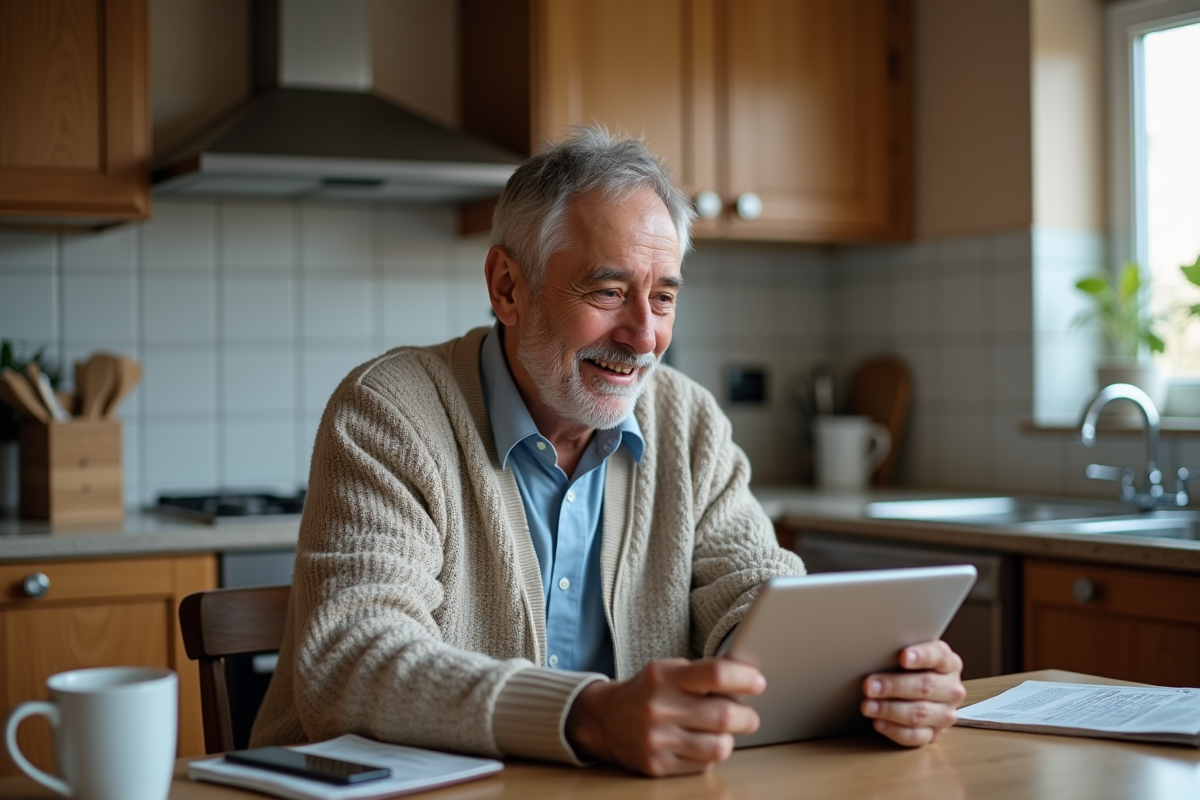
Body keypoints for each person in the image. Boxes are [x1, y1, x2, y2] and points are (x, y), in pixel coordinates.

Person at [251, 126, 965, 777]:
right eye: (608, 290)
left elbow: (754, 592)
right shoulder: (391, 410)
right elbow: (351, 661)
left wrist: (871, 682)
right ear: (508, 287)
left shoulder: (687, 419)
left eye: (663, 298)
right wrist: (587, 716)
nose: (644, 335)